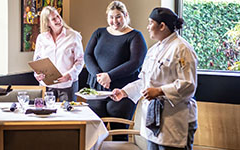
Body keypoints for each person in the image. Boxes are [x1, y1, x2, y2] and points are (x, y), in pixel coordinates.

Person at [111, 7, 198, 150]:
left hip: (175, 120)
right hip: (153, 120)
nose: (147, 27)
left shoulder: (182, 49)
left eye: (150, 23)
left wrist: (159, 91)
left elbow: (188, 85)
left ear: (162, 26)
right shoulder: (153, 50)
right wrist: (124, 92)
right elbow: (145, 82)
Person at [84, 1, 147, 141]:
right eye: (111, 17)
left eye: (118, 16)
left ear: (125, 15)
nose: (114, 21)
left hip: (123, 91)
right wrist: (99, 76)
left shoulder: (135, 36)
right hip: (97, 89)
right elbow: (87, 55)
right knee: (92, 134)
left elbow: (135, 63)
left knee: (119, 132)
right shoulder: (99, 33)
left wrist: (110, 76)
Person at [33, 6, 84, 102]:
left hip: (68, 85)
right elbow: (37, 60)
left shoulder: (73, 36)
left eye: (57, 16)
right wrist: (37, 74)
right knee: (46, 114)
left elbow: (80, 60)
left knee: (68, 115)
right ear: (47, 23)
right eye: (53, 19)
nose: (58, 19)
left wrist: (70, 75)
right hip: (47, 85)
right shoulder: (41, 38)